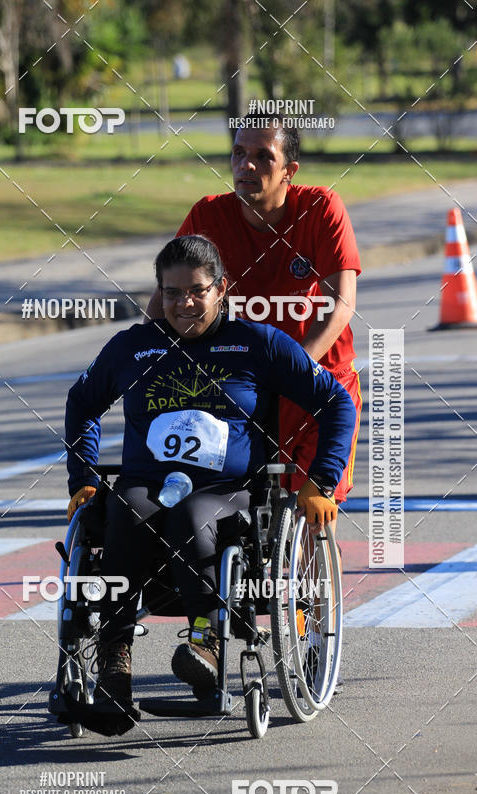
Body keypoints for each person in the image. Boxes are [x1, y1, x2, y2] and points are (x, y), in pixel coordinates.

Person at [65, 235, 356, 713]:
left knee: (193, 514)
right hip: (148, 483)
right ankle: (115, 661)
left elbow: (335, 402)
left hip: (228, 490)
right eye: (172, 292)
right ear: (158, 294)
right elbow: (82, 404)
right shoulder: (132, 348)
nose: (184, 303)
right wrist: (84, 478)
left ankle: (207, 645)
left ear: (221, 288)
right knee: (126, 511)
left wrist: (321, 482)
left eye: (197, 290)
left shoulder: (257, 343)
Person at [145, 121, 362, 518]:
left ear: (288, 171)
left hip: (318, 383)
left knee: (312, 514)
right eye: (239, 154)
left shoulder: (321, 208)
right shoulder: (208, 214)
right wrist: (146, 356)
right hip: (243, 389)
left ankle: (313, 571)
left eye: (263, 156)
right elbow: (166, 297)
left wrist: (293, 369)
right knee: (239, 513)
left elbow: (341, 304)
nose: (247, 165)